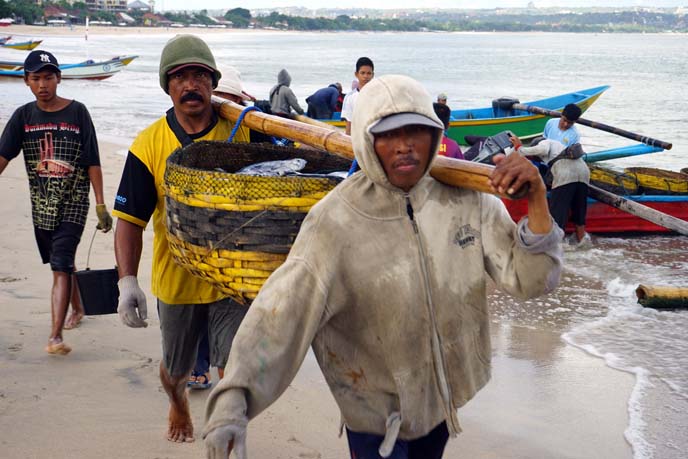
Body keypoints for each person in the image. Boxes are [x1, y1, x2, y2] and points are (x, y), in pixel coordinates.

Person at [203, 74, 563, 458]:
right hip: (374, 419)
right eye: (388, 134)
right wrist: (232, 404)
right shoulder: (335, 220)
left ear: (435, 135)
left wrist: (537, 201)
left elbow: (533, 281)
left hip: (442, 401)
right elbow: (281, 314)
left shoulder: (469, 202)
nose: (405, 146)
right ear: (365, 139)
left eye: (416, 132)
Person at [111, 34, 250, 443]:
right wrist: (127, 282)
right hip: (177, 279)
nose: (191, 84)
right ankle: (177, 402)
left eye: (200, 75)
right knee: (176, 370)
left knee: (235, 366)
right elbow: (130, 221)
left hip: (233, 278)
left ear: (213, 82)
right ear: (167, 86)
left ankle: (227, 429)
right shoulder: (148, 145)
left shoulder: (243, 132)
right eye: (181, 76)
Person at [0, 50, 112, 354]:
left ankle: (55, 336)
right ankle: (78, 308)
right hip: (42, 207)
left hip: (74, 202)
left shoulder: (77, 113)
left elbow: (93, 161)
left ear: (59, 78)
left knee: (60, 264)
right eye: (35, 78)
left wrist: (100, 204)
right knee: (63, 262)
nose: (43, 84)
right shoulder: (23, 116)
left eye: (48, 77)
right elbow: (3, 156)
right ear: (26, 81)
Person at [510, 133, 592, 249]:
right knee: (579, 210)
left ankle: (557, 246)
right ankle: (582, 241)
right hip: (584, 173)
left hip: (565, 174)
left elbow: (541, 149)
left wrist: (519, 147)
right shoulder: (560, 147)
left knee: (558, 212)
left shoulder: (545, 142)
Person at [341, 56, 374, 135]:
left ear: (372, 75)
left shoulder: (379, 95)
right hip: (358, 139)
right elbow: (349, 124)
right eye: (362, 73)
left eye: (369, 73)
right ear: (356, 74)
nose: (366, 76)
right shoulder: (350, 97)